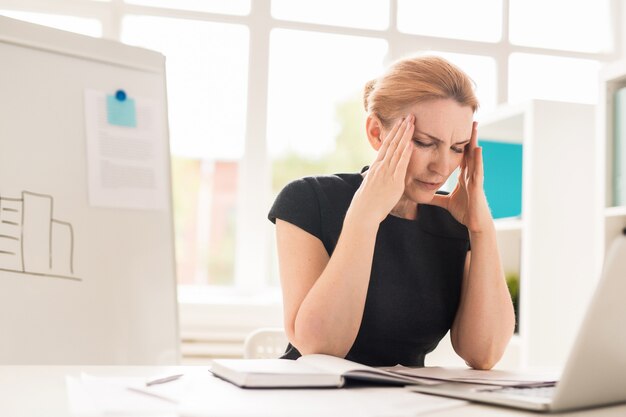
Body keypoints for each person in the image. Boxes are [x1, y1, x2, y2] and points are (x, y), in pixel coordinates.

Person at [268, 55, 515, 369]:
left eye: (457, 148)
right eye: (424, 142)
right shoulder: (309, 200)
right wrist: (365, 215)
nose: (442, 167)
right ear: (375, 132)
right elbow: (320, 347)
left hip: (406, 404)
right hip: (315, 400)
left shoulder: (451, 221)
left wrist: (482, 230)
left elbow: (483, 353)